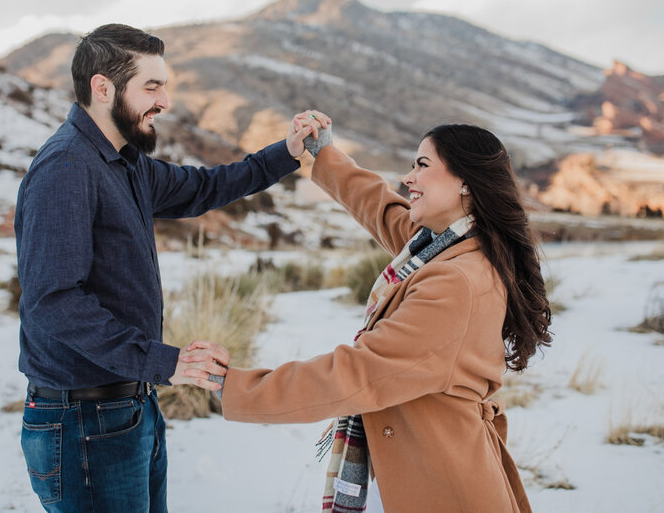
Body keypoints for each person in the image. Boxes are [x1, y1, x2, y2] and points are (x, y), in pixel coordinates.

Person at [14, 23, 322, 512]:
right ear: (103, 88)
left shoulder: (126, 161)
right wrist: (168, 362)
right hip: (83, 422)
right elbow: (55, 302)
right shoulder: (67, 167)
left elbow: (203, 188)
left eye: (165, 85)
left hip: (128, 407)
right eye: (151, 87)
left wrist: (284, 153)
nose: (165, 101)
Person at [211, 118, 552, 512]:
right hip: (414, 466)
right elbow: (378, 205)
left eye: (422, 165)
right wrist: (325, 153)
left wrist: (238, 388)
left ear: (464, 181)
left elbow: (358, 374)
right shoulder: (443, 246)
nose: (409, 177)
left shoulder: (455, 280)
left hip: (441, 481)